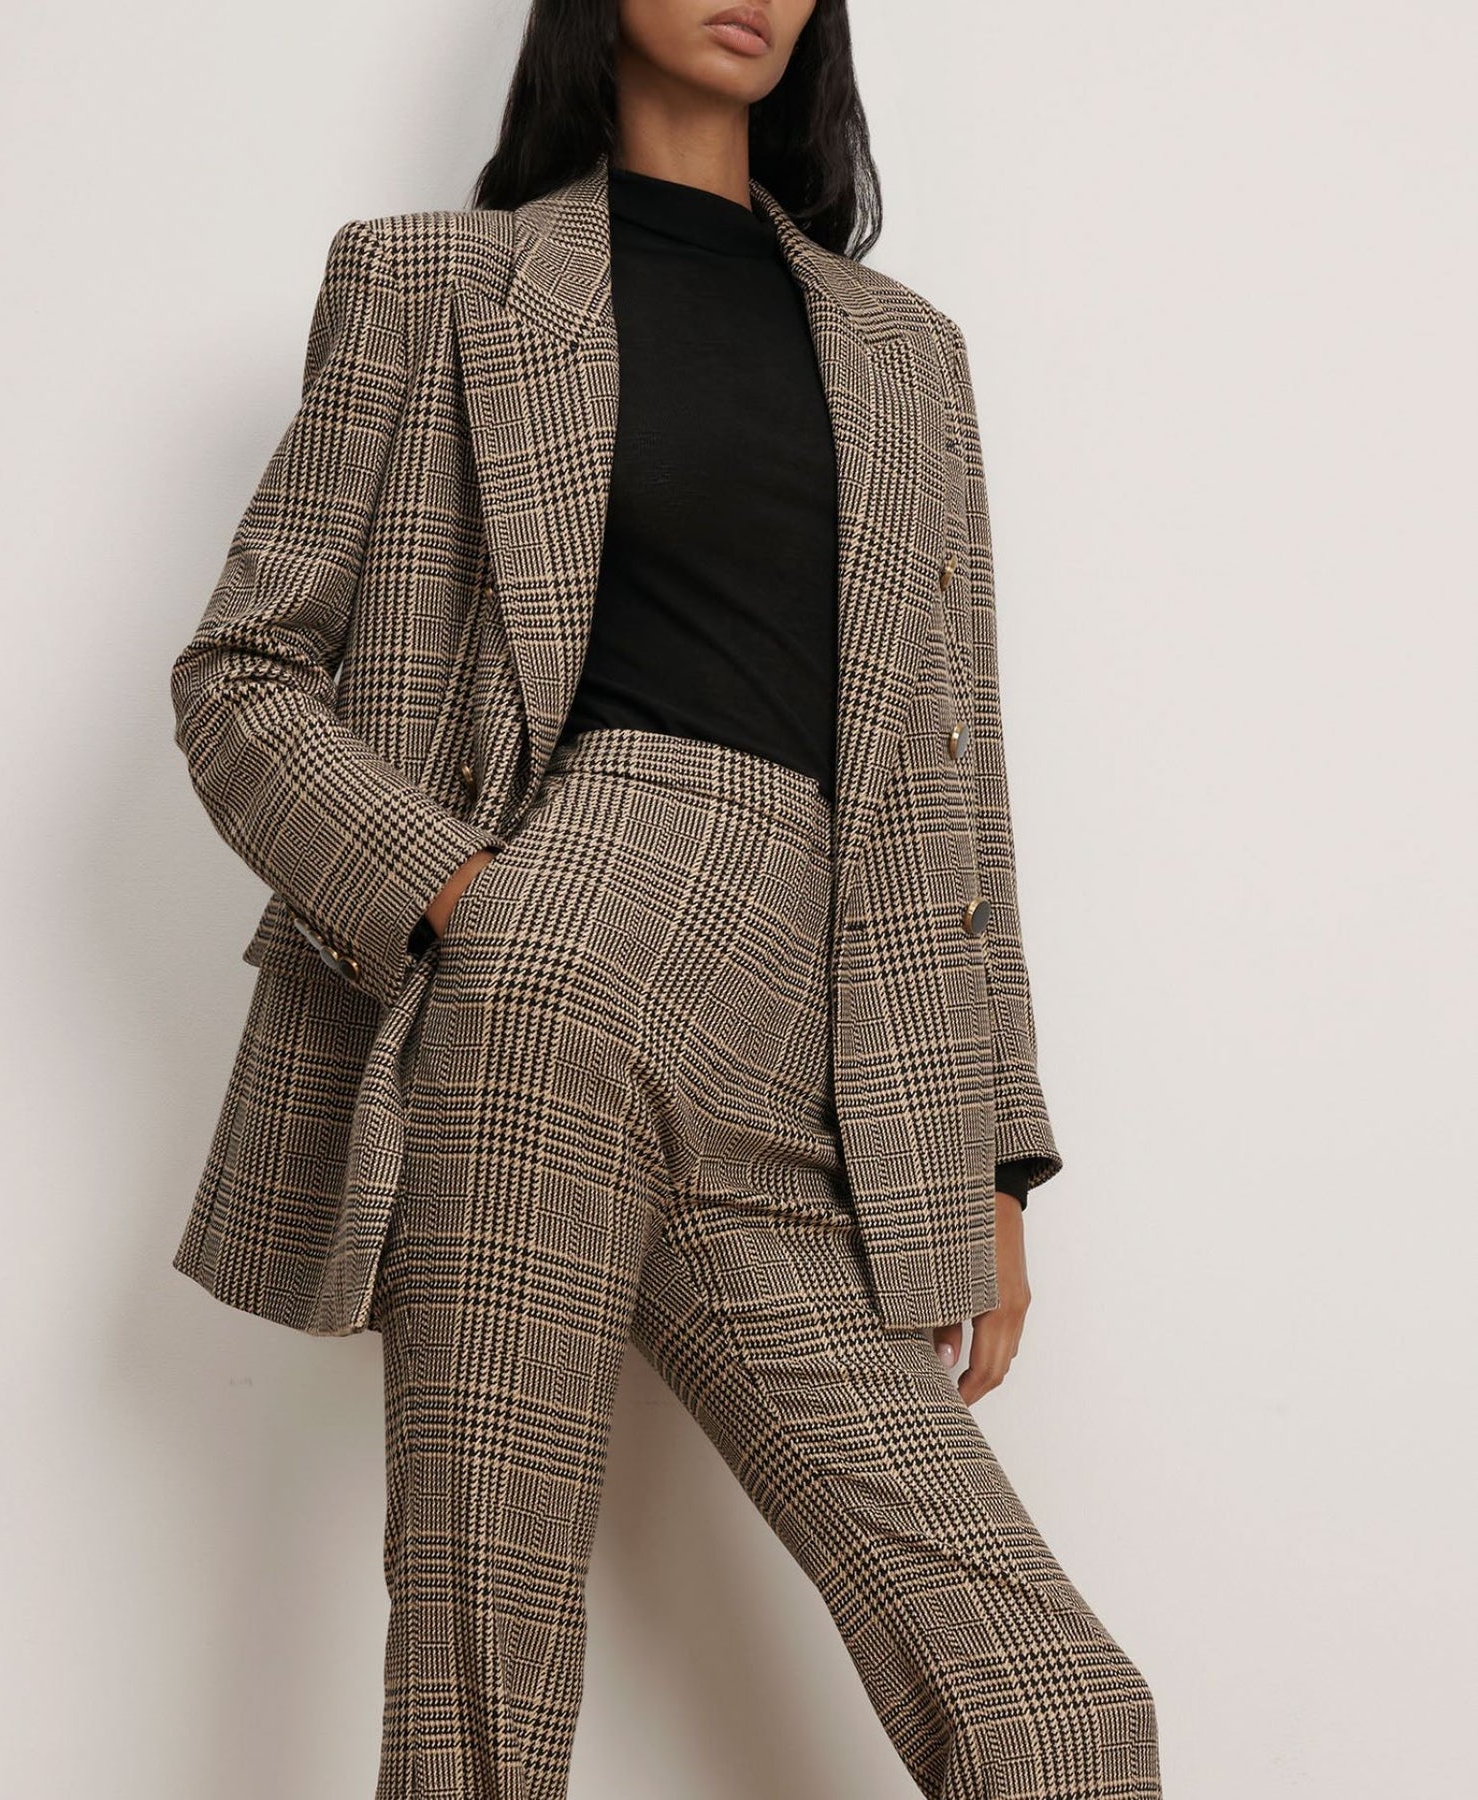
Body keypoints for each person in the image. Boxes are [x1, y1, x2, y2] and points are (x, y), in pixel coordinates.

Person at [166, 2, 1163, 1794]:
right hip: (540, 978)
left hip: (815, 1047)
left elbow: (957, 780)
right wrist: (463, 896)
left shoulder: (905, 354)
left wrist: (993, 1159)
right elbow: (242, 675)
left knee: (1059, 1706)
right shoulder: (438, 284)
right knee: (482, 1698)